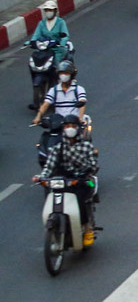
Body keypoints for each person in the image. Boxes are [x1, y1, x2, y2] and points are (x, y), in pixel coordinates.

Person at [32, 114, 99, 246]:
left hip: (83, 180)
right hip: (65, 180)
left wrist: (85, 173)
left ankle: (87, 229)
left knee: (80, 200)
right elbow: (49, 166)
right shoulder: (58, 148)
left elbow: (93, 164)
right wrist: (40, 178)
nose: (70, 129)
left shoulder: (86, 146)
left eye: (73, 126)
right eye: (67, 126)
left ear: (77, 129)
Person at [32, 61, 86, 127]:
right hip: (59, 122)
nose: (63, 75)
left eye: (66, 73)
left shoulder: (78, 89)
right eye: (61, 73)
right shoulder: (54, 90)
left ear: (72, 75)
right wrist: (38, 117)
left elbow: (82, 104)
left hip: (74, 123)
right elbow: (45, 104)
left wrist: (80, 118)